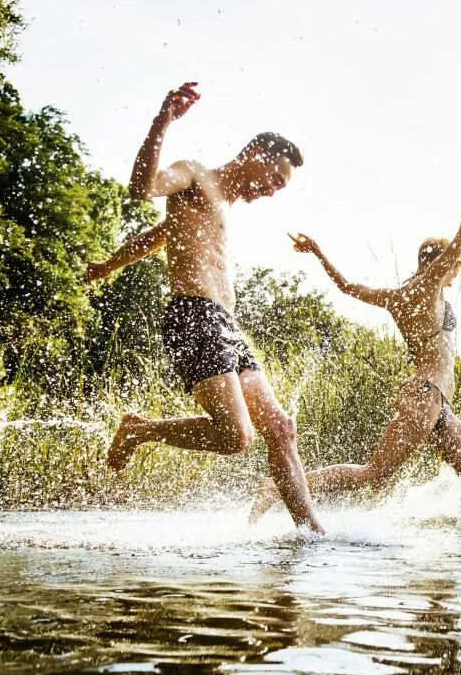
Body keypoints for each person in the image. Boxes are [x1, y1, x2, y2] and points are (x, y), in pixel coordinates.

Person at [84, 81, 323, 534]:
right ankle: (140, 429)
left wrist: (112, 263)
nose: (274, 191)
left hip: (225, 324)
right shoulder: (195, 175)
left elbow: (156, 237)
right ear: (256, 153)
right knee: (236, 437)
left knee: (281, 427)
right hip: (192, 315)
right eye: (276, 178)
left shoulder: (222, 207)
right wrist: (163, 121)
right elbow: (142, 187)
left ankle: (313, 535)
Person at [249, 136, 461, 529]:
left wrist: (319, 253)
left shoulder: (397, 295)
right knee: (374, 472)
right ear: (444, 265)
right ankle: (277, 486)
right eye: (450, 266)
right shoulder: (428, 285)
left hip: (435, 403)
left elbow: (346, 287)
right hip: (426, 398)